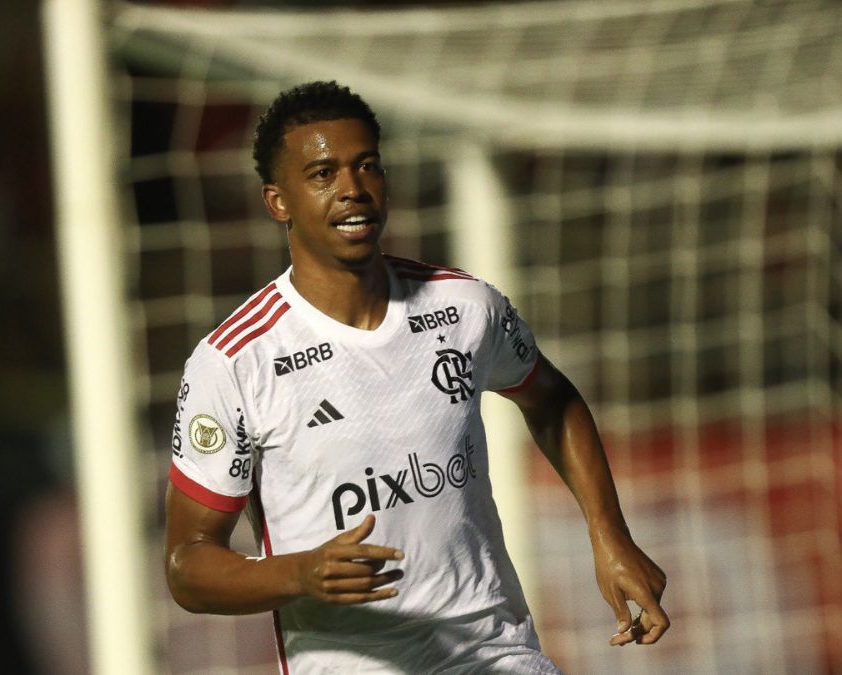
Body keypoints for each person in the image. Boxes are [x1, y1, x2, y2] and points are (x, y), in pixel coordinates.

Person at [164, 81, 669, 673]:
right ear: (278, 202)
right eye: (323, 174)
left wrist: (609, 534)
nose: (352, 190)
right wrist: (297, 573)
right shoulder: (236, 361)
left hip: (492, 651)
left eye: (367, 167)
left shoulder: (465, 307)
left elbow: (551, 398)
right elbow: (187, 565)